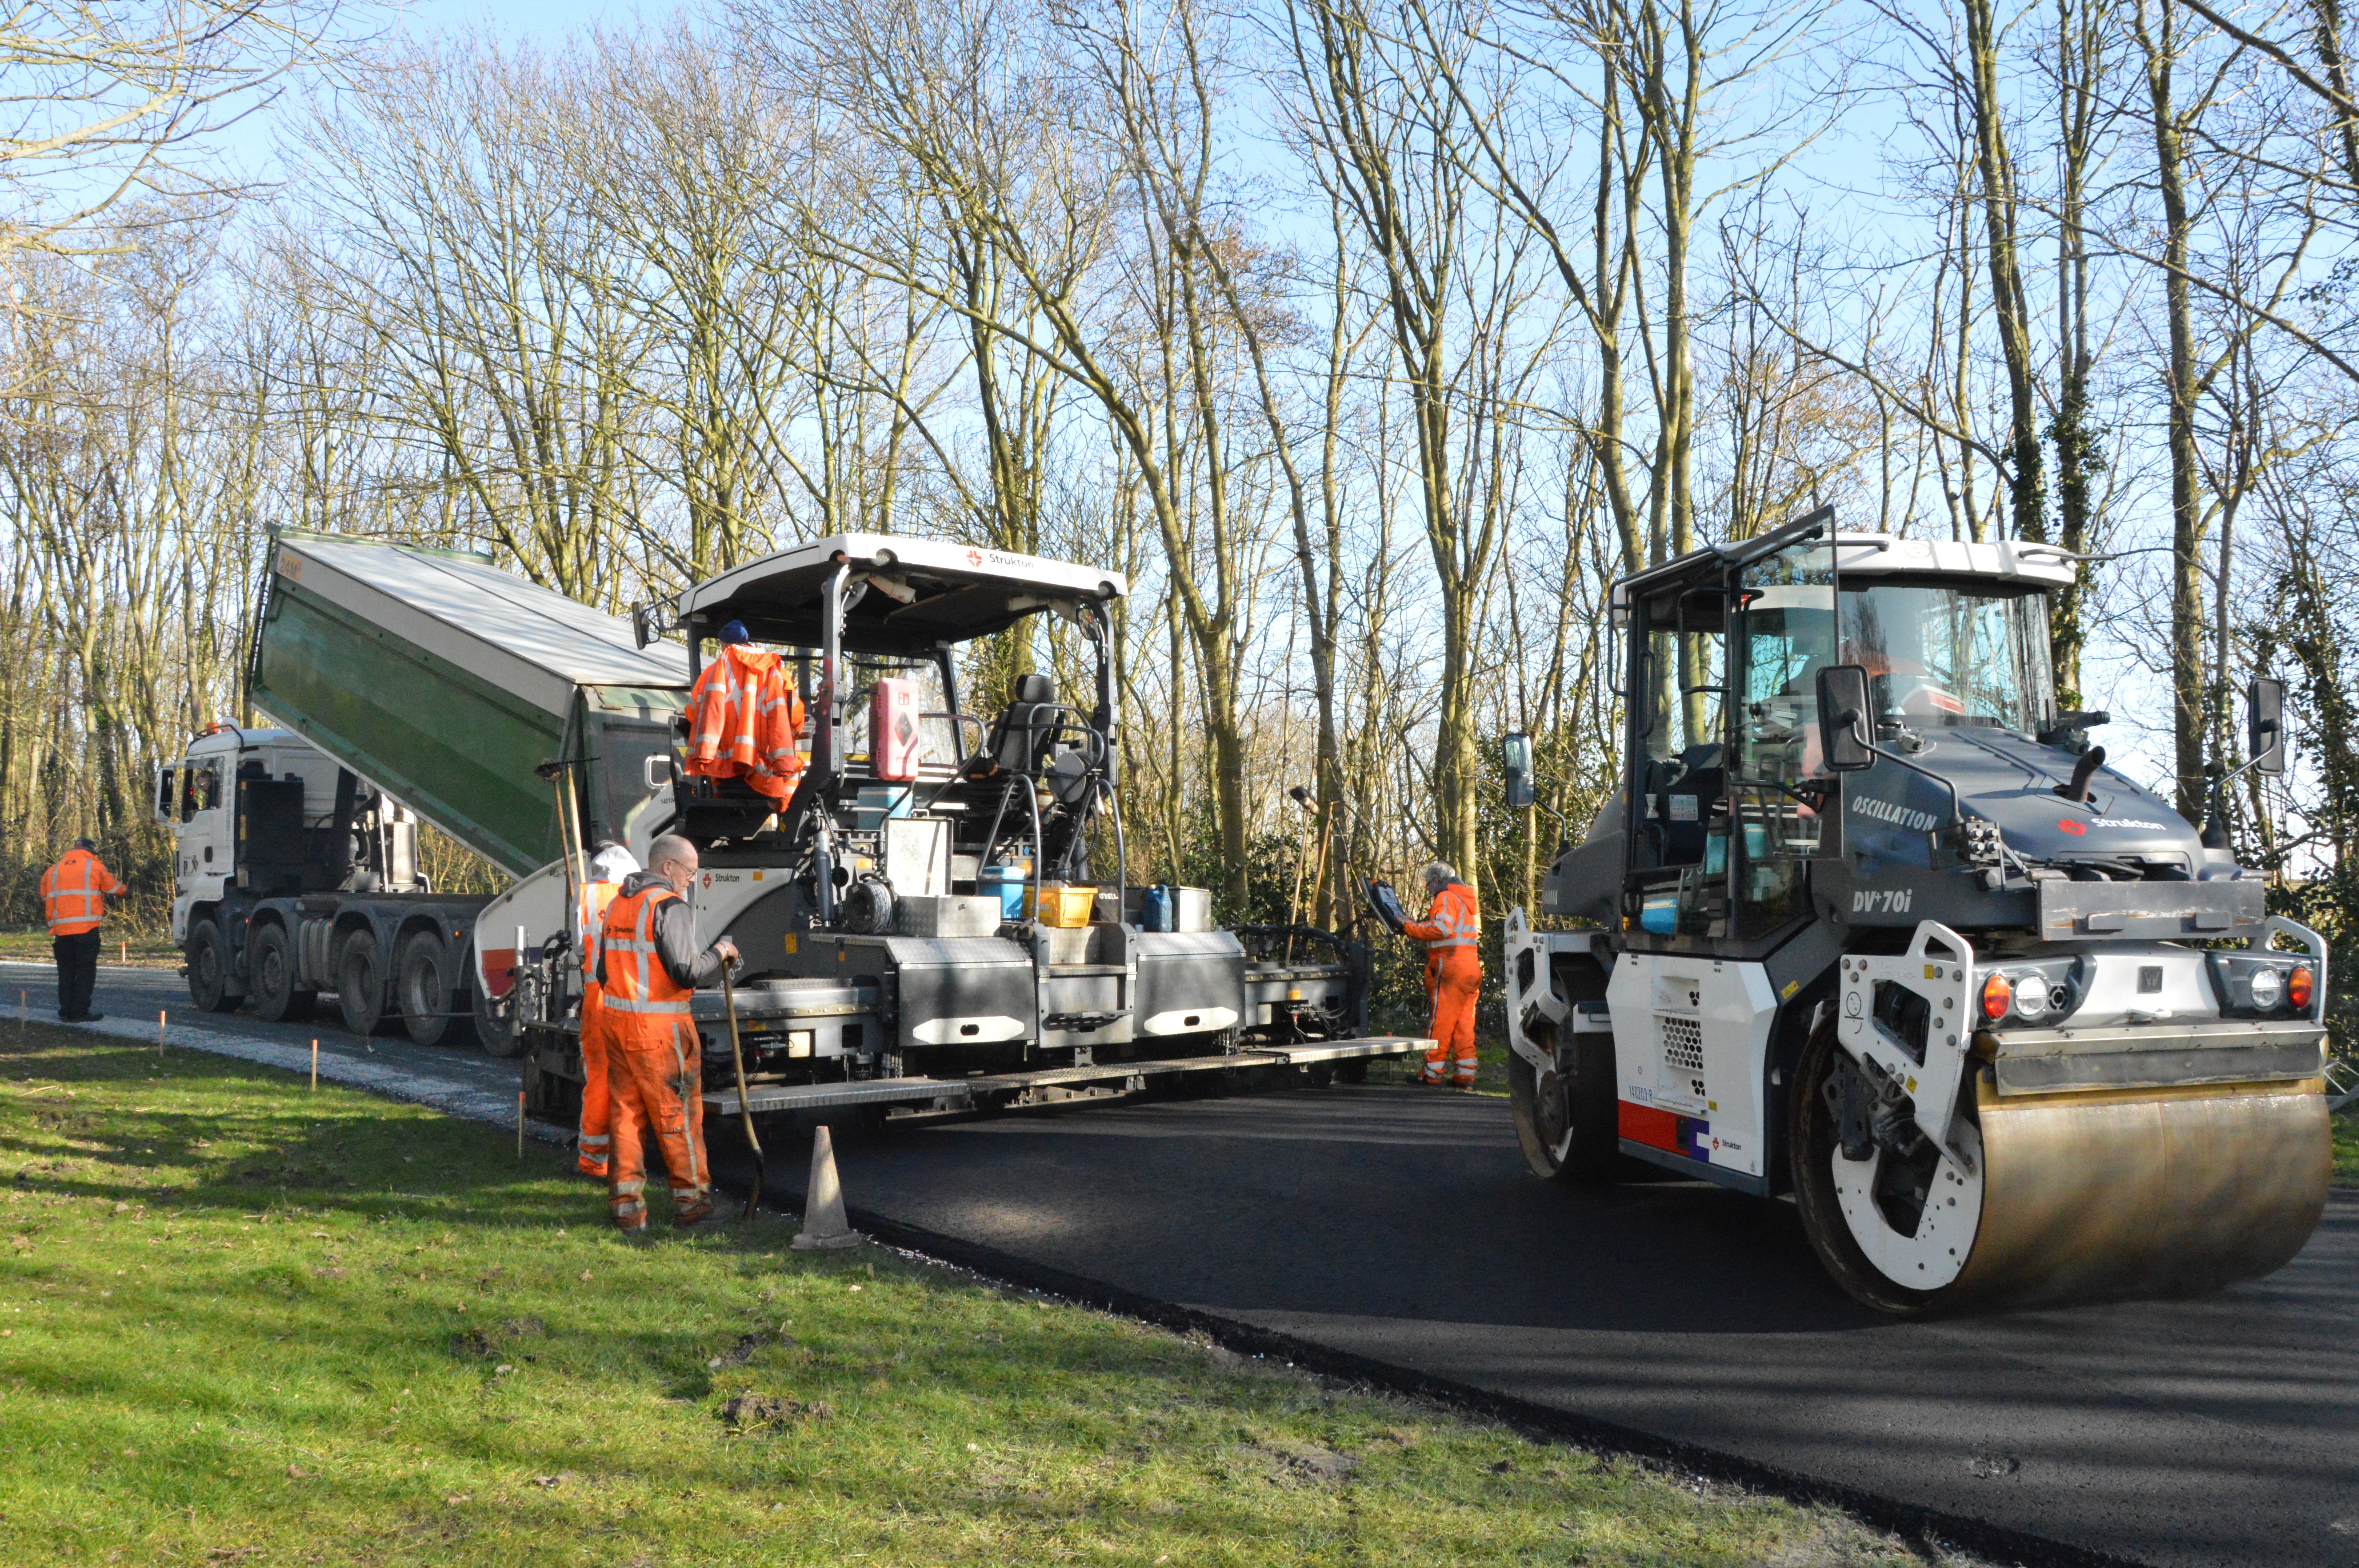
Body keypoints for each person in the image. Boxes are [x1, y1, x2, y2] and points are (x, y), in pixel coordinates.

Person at [595, 833, 739, 1234]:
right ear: (668, 867)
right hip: (660, 1032)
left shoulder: (620, 903)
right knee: (678, 1116)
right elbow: (687, 971)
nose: (691, 880)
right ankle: (693, 1207)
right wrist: (722, 952)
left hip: (618, 1025)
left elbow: (603, 972)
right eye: (690, 872)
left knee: (626, 1117)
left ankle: (627, 1212)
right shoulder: (668, 905)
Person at [574, 839, 641, 1182]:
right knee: (634, 1080)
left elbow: (578, 945)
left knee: (599, 1079)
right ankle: (632, 1160)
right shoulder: (641, 895)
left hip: (597, 998)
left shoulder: (587, 896)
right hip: (635, 999)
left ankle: (594, 1161)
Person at [1401, 861, 1480, 1087]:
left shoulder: (1445, 897)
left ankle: (1432, 1074)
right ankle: (1465, 1075)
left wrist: (1409, 927)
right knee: (1464, 1024)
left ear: (1436, 881)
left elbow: (1442, 929)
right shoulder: (1465, 900)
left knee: (1441, 1022)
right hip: (1471, 967)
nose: (1428, 889)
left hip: (1451, 967)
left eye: (1428, 885)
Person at [42, 837, 126, 1023]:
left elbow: (44, 894)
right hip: (86, 930)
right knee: (85, 971)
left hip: (61, 931)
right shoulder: (94, 867)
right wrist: (128, 891)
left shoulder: (53, 869)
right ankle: (79, 1013)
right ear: (92, 851)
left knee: (66, 972)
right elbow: (115, 889)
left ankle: (66, 1012)